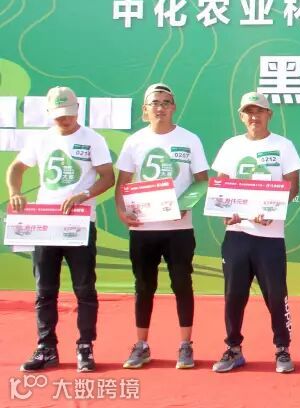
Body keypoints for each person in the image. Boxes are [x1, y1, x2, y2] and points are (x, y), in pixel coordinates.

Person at [7, 86, 115, 372]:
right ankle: (46, 347)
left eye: (68, 113)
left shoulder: (93, 139)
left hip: (79, 223)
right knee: (44, 289)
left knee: (84, 288)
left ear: (78, 109)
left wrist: (84, 194)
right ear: (49, 113)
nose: (64, 119)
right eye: (58, 115)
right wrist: (15, 192)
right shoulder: (41, 139)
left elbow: (108, 177)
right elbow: (16, 168)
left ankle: (85, 347)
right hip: (46, 224)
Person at [115, 83, 209, 370]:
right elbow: (122, 183)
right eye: (155, 103)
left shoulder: (189, 139)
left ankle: (185, 345)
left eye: (166, 102)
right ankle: (141, 345)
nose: (160, 107)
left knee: (182, 284)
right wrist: (122, 212)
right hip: (143, 228)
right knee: (144, 286)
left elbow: (202, 181)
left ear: (174, 107)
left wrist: (185, 205)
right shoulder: (135, 141)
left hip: (179, 229)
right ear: (145, 109)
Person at [210, 91, 300, 374]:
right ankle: (233, 348)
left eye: (259, 111)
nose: (254, 116)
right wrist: (226, 211)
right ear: (241, 116)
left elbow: (293, 185)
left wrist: (273, 209)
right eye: (249, 112)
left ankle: (282, 348)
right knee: (233, 296)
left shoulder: (283, 146)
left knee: (276, 296)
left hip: (270, 237)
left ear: (269, 114)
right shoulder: (231, 146)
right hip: (237, 234)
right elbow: (221, 184)